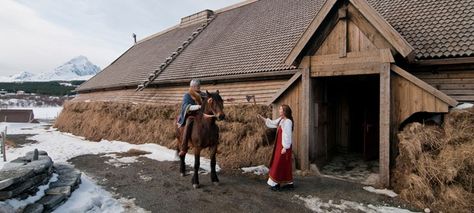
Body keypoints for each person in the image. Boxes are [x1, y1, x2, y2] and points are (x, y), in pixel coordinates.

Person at [257, 104, 294, 191]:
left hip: (284, 147)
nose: (279, 111)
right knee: (284, 164)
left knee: (279, 164)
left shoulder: (288, 122)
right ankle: (289, 183)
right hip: (279, 145)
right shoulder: (281, 120)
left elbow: (287, 135)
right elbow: (272, 123)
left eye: (281, 109)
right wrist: (262, 118)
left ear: (285, 111)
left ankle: (277, 183)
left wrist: (285, 147)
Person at [177, 79, 206, 157]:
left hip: (201, 114)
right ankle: (184, 148)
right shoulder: (188, 95)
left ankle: (214, 143)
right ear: (192, 87)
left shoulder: (203, 94)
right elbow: (186, 106)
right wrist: (198, 106)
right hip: (191, 115)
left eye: (199, 85)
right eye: (197, 86)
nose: (199, 87)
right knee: (189, 123)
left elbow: (210, 100)